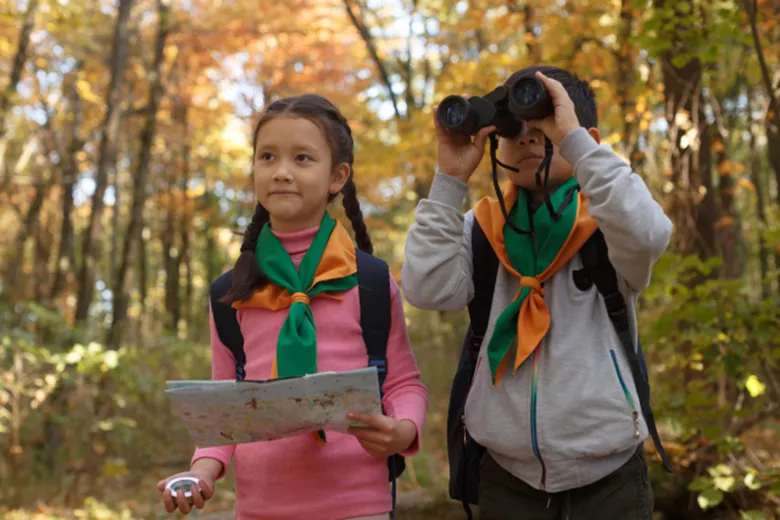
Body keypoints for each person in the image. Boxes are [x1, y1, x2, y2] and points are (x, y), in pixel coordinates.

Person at [401, 65, 672, 519]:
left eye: (544, 127)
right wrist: (449, 181)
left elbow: (649, 234)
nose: (527, 138)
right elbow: (426, 288)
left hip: (609, 474)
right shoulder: (481, 231)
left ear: (584, 136)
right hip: (508, 476)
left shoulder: (609, 223)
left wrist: (578, 146)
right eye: (513, 130)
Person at [158, 94, 428, 520]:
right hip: (260, 508)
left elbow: (403, 383)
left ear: (338, 176)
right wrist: (203, 472)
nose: (281, 172)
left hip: (360, 505)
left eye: (302, 158)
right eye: (267, 157)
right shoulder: (231, 294)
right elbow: (225, 409)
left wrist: (402, 431)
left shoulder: (371, 281)